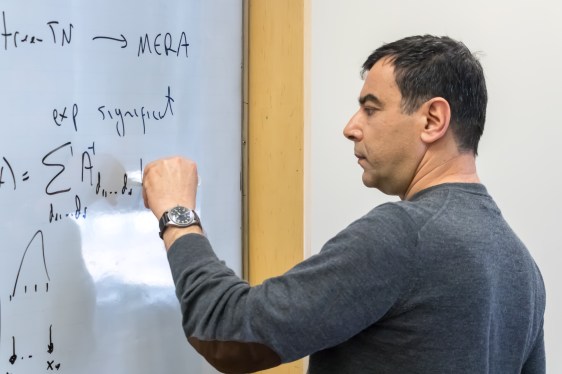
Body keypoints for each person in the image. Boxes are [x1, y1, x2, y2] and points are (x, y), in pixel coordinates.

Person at [142, 35, 545, 373]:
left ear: (432, 120)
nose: (351, 127)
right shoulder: (521, 267)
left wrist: (177, 215)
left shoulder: (403, 237)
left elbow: (228, 331)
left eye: (371, 109)